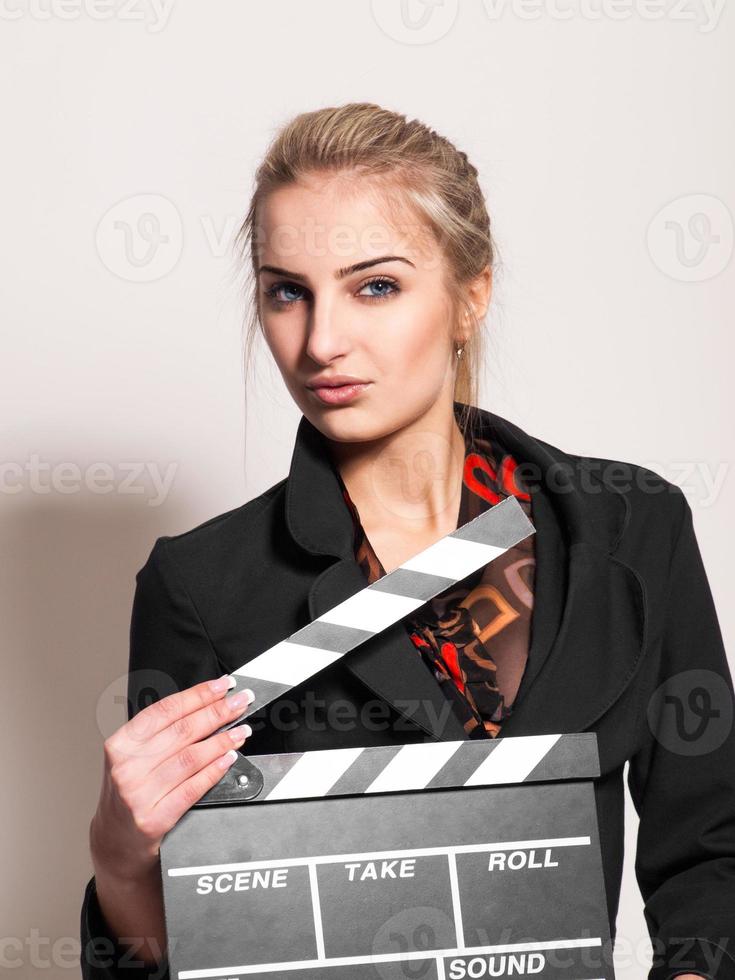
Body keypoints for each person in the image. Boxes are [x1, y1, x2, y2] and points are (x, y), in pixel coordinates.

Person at [80, 103, 735, 980]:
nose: (320, 342)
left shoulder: (629, 528)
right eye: (287, 291)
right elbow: (197, 947)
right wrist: (121, 857)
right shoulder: (202, 585)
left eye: (374, 286)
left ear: (470, 296)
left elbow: (709, 847)